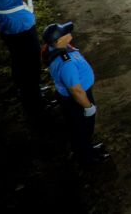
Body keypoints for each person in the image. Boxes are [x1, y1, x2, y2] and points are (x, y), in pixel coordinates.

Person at [44, 21, 109, 163]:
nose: (69, 33)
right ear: (59, 40)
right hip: (77, 100)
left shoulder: (57, 48)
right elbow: (75, 90)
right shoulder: (66, 63)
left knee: (78, 127)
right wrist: (88, 107)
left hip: (73, 97)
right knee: (83, 128)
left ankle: (84, 150)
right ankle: (87, 157)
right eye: (65, 33)